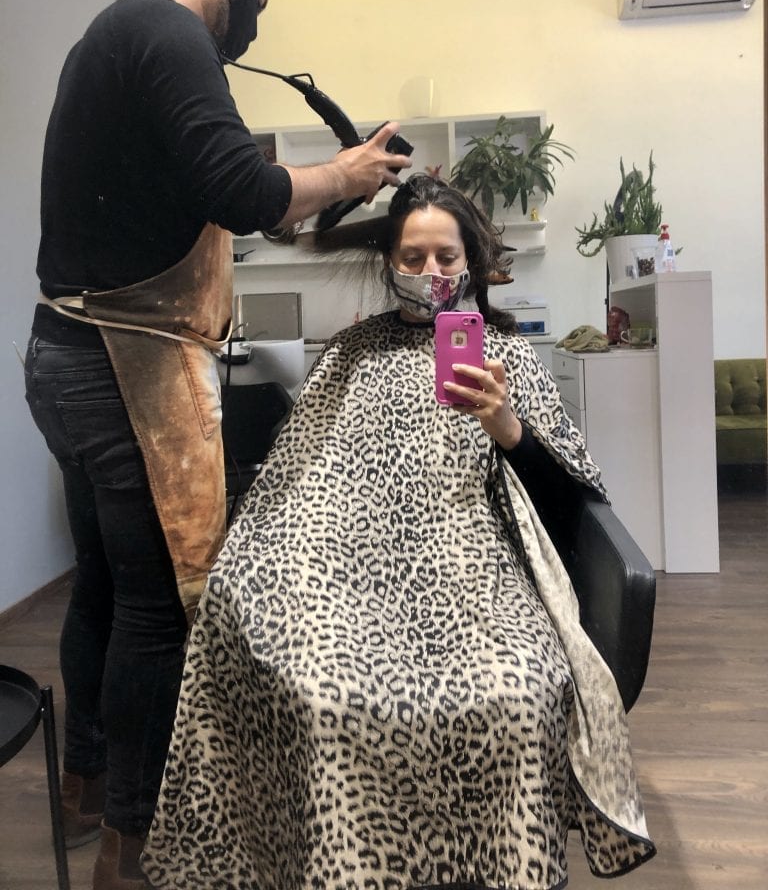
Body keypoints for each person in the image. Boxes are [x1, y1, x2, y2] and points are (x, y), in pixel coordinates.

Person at [23, 0, 411, 890]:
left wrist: (331, 183)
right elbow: (246, 193)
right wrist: (353, 168)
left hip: (60, 356)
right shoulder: (170, 33)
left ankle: (80, 783)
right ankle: (131, 847)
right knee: (156, 608)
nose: (253, 33)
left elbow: (210, 187)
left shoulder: (106, 38)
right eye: (260, 8)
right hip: (126, 369)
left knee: (101, 583)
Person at [142, 174, 656, 890]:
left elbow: (571, 509)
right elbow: (295, 486)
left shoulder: (508, 359)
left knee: (520, 693)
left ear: (471, 262)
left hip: (476, 566)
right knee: (323, 695)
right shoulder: (352, 354)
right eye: (412, 258)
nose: (430, 274)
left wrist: (505, 427)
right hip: (345, 569)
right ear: (389, 262)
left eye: (446, 258)